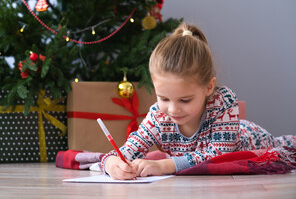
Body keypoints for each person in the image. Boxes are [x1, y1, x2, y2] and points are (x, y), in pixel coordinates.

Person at [101, 23, 296, 180]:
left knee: (288, 146)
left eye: (185, 100)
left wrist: (165, 165)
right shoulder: (157, 116)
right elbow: (127, 150)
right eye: (164, 98)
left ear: (209, 87)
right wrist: (112, 165)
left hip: (250, 137)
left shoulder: (224, 103)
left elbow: (217, 157)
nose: (173, 109)